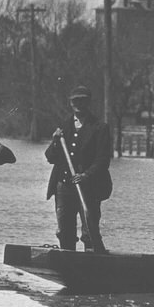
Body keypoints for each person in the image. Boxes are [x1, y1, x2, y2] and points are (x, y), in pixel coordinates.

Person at [45, 85, 113, 253]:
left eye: (82, 100)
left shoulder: (99, 128)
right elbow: (50, 157)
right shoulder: (63, 127)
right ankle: (68, 267)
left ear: (88, 102)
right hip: (64, 187)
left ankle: (92, 267)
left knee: (89, 231)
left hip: (88, 187)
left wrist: (86, 176)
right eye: (75, 101)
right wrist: (55, 141)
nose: (78, 104)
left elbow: (103, 160)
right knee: (64, 232)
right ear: (70, 103)